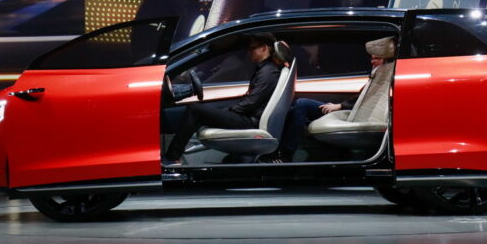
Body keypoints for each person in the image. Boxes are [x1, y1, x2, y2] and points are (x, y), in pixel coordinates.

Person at [163, 33, 283, 165]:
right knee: (204, 110)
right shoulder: (265, 69)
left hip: (249, 121)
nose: (249, 52)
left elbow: (250, 103)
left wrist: (228, 111)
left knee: (194, 110)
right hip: (248, 117)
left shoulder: (268, 72)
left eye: (252, 48)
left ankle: (172, 157)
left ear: (264, 48)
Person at [275, 36, 396, 162]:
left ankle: (286, 154)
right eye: (372, 58)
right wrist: (340, 105)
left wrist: (340, 106)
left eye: (377, 58)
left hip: (357, 115)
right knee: (302, 104)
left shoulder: (389, 75)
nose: (372, 61)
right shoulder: (378, 74)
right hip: (354, 112)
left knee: (302, 104)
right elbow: (362, 97)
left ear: (387, 59)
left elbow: (367, 100)